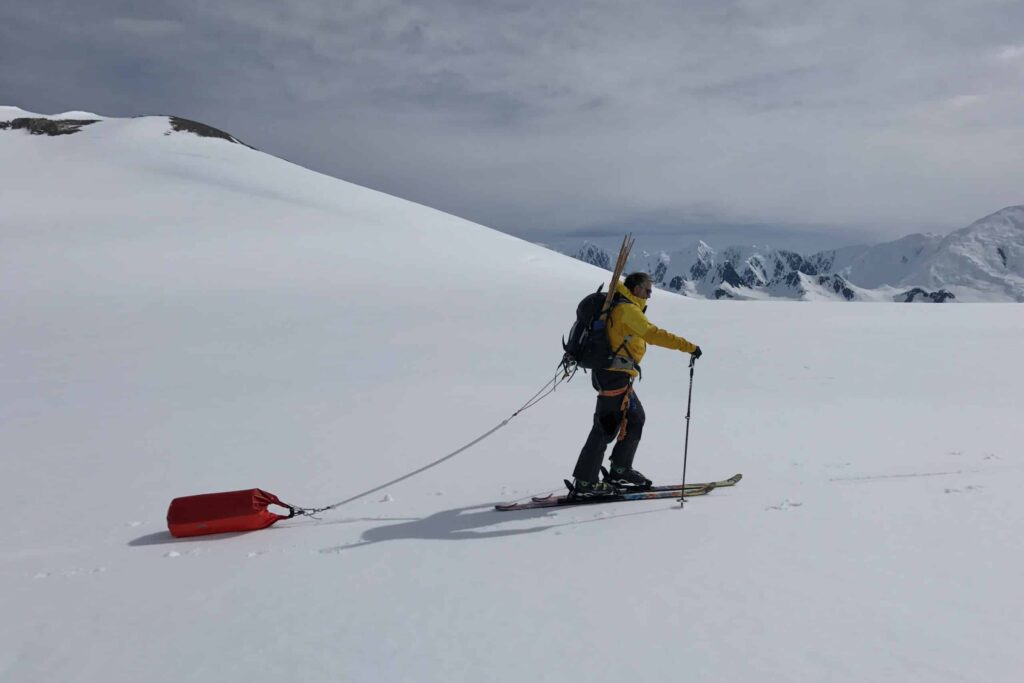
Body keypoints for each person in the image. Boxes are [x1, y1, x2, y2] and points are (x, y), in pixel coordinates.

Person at [571, 272, 702, 498]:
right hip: (613, 375)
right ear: (636, 288)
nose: (650, 296)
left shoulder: (622, 306)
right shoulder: (627, 310)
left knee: (635, 418)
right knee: (606, 426)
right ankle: (586, 481)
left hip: (616, 374)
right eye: (648, 290)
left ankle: (620, 470)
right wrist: (688, 346)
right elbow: (652, 334)